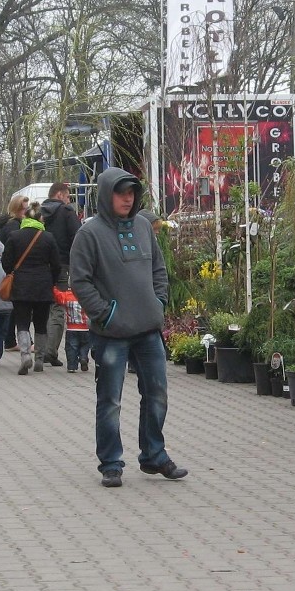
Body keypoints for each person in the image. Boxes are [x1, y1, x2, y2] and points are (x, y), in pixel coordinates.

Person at [69, 167, 188, 488]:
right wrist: (105, 314)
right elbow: (79, 280)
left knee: (157, 394)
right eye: (121, 192)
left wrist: (158, 302)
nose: (127, 198)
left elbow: (158, 269)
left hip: (147, 329)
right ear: (107, 195)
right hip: (111, 334)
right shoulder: (89, 234)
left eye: (132, 192)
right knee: (110, 400)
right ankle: (110, 462)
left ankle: (154, 455)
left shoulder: (143, 228)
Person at [1, 202, 60, 374]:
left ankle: (26, 355)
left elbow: (6, 263)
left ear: (25, 217)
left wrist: (13, 273)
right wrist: (52, 281)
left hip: (21, 286)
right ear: (41, 218)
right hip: (43, 286)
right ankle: (39, 359)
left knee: (22, 322)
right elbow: (56, 265)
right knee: (41, 324)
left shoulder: (14, 236)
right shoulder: (48, 237)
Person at [41, 182, 81, 367]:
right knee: (58, 306)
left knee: (41, 308)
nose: (68, 200)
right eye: (67, 196)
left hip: (39, 267)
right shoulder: (67, 212)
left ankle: (39, 350)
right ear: (59, 195)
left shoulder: (38, 213)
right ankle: (50, 350)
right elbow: (79, 238)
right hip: (62, 265)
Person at [0, 193, 29, 351]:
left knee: (13, 306)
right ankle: (10, 340)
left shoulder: (6, 225)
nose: (26, 212)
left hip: (11, 268)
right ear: (17, 209)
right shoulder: (14, 226)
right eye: (24, 209)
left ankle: (8, 339)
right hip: (15, 268)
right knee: (16, 307)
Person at [52, 286, 91, 373]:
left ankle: (72, 366)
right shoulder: (87, 296)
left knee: (71, 348)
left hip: (71, 328)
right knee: (85, 345)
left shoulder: (67, 296)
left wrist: (53, 287)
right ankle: (83, 357)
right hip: (86, 328)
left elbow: (58, 296)